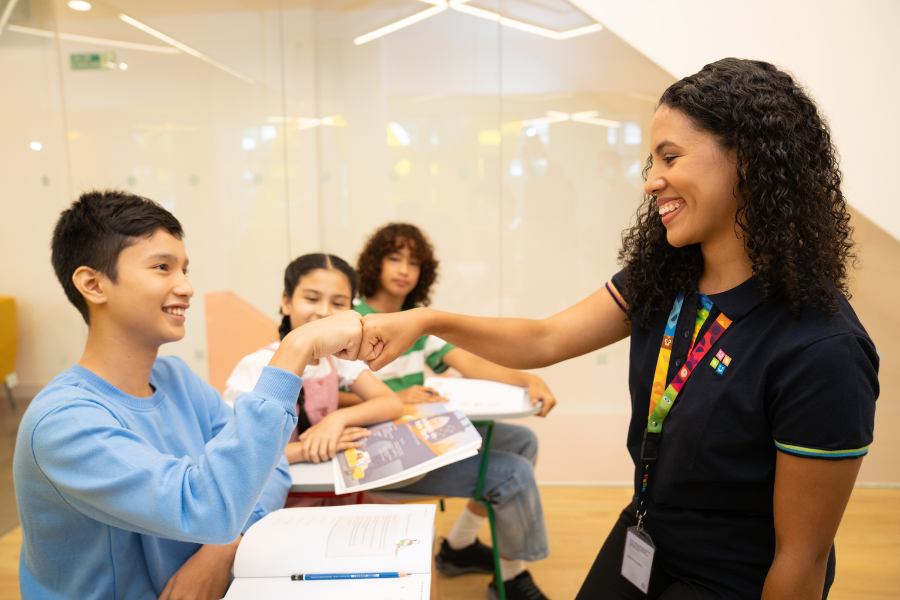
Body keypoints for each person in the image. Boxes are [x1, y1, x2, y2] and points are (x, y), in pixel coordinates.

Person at [358, 58, 878, 600]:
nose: (652, 180)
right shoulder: (664, 277)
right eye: (652, 160)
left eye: (670, 157)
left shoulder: (823, 348)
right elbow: (545, 338)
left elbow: (803, 558)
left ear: (748, 156)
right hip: (648, 532)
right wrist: (426, 320)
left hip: (732, 575)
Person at [13, 190, 365, 600]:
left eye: (184, 269)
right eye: (163, 267)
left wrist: (219, 551)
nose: (186, 287)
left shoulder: (177, 379)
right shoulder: (64, 421)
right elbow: (207, 507)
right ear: (93, 284)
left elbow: (268, 469)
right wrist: (294, 350)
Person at [346, 222, 559, 600]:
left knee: (521, 440)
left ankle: (458, 548)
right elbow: (324, 394)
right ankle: (511, 578)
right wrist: (396, 395)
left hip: (416, 434)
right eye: (394, 258)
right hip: (380, 449)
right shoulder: (351, 320)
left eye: (413, 262)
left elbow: (471, 363)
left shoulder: (415, 323)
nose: (403, 270)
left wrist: (524, 379)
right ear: (374, 263)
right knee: (513, 474)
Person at [223, 253, 402, 502]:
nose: (324, 311)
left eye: (338, 303)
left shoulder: (336, 359)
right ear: (286, 302)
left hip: (328, 486)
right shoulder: (260, 364)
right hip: (272, 498)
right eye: (311, 298)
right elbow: (237, 455)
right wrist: (309, 448)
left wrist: (337, 420)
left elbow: (390, 402)